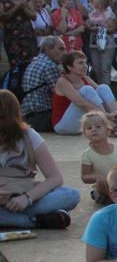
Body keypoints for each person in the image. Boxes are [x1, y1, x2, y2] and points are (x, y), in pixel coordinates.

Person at [0, 89, 80, 229]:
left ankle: (24, 219)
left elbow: (55, 178)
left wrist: (27, 198)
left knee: (71, 194)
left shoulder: (28, 136)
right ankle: (38, 221)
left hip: (25, 194)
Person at [53, 51, 117, 137]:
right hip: (63, 125)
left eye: (85, 62)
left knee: (103, 87)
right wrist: (106, 115)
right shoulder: (62, 81)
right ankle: (110, 126)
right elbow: (81, 102)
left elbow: (101, 94)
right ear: (69, 67)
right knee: (87, 90)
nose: (85, 66)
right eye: (80, 63)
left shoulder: (85, 78)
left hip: (82, 122)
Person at [80, 111, 117, 205]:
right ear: (85, 133)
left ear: (108, 130)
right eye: (89, 128)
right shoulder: (87, 155)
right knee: (104, 195)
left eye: (98, 127)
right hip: (103, 188)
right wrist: (96, 177)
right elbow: (84, 177)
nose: (93, 130)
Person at [20, 36, 65, 132]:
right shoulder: (49, 66)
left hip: (29, 117)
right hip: (40, 118)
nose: (65, 52)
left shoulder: (35, 61)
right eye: (61, 49)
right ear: (47, 49)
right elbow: (63, 95)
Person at [0, 0, 38, 72]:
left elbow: (34, 16)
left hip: (27, 34)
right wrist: (16, 6)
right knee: (15, 64)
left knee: (30, 62)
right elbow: (3, 17)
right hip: (11, 36)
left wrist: (23, 7)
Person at [86, 0, 117, 86]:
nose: (92, 1)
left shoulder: (108, 14)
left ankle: (106, 89)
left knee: (105, 68)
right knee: (96, 67)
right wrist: (88, 26)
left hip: (107, 43)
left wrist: (99, 29)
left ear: (99, 2)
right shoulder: (93, 13)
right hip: (94, 42)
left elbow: (113, 29)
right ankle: (100, 86)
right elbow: (87, 23)